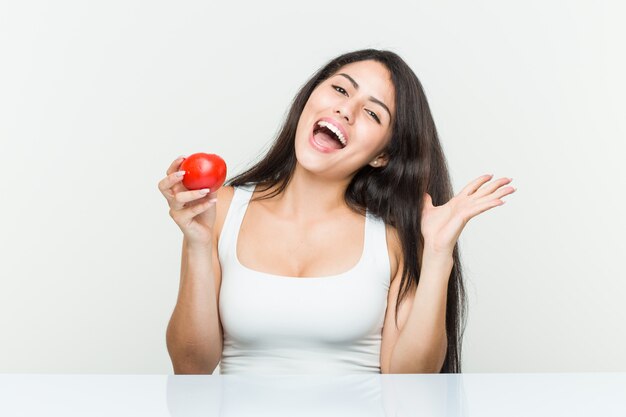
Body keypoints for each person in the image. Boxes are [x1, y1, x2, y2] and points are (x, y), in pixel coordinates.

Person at [158, 48, 516, 375]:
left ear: (382, 155)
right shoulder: (219, 210)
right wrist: (197, 243)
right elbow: (191, 368)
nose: (346, 110)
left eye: (373, 113)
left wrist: (437, 257)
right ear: (309, 98)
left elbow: (411, 381)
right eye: (341, 90)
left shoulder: (390, 236)